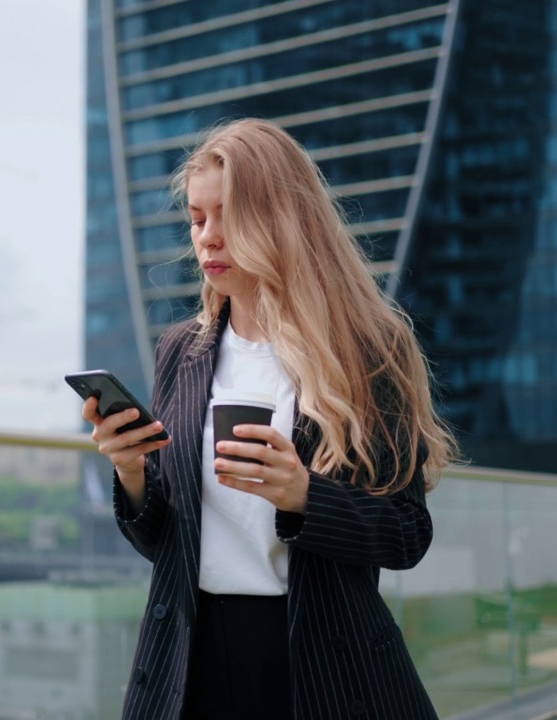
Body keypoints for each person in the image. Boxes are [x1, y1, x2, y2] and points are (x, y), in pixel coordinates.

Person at [82, 118, 456, 720]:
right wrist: (130, 472)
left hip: (322, 662)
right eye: (198, 219)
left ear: (281, 217)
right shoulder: (181, 348)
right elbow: (165, 544)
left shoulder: (369, 350)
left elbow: (408, 533)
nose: (207, 237)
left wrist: (304, 496)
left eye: (227, 215)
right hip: (191, 659)